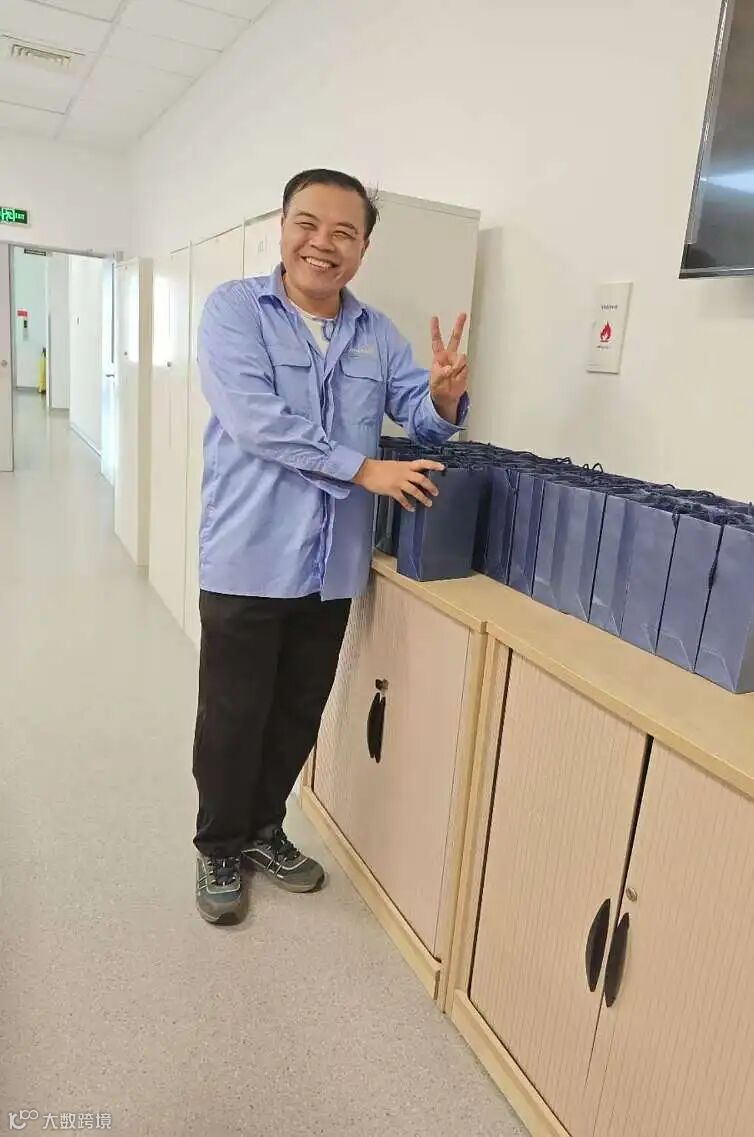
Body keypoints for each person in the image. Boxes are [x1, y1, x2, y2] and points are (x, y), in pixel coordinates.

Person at [193, 168, 470, 924]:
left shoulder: (375, 333)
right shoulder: (234, 311)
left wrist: (442, 397)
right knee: (232, 716)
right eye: (308, 224)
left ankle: (263, 830)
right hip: (249, 556)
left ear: (363, 249)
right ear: (282, 229)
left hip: (330, 568)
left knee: (295, 713)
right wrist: (363, 468)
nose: (324, 244)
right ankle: (218, 844)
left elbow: (420, 416)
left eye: (344, 232)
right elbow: (257, 421)